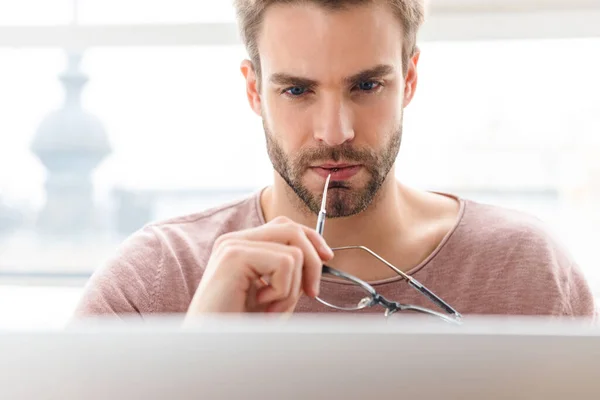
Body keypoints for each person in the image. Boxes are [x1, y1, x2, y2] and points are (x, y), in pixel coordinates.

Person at [74, 0, 595, 320]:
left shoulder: (529, 271)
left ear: (408, 80)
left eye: (367, 85)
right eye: (298, 90)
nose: (336, 132)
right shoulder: (152, 281)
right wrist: (200, 359)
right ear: (254, 91)